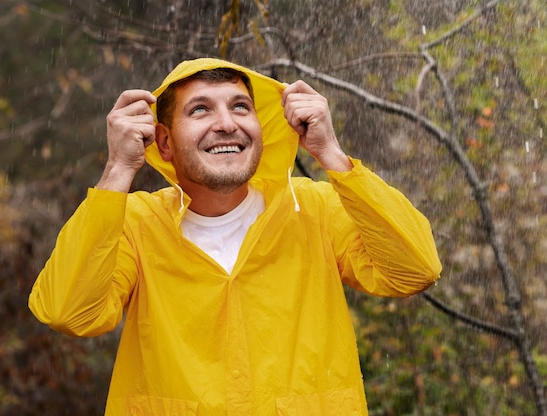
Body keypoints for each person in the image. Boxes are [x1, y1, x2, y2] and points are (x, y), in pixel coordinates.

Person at [29, 57, 441, 415]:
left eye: (241, 107)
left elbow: (414, 269)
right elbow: (69, 311)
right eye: (201, 110)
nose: (226, 124)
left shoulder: (316, 209)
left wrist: (331, 153)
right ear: (165, 143)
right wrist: (118, 169)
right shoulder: (136, 224)